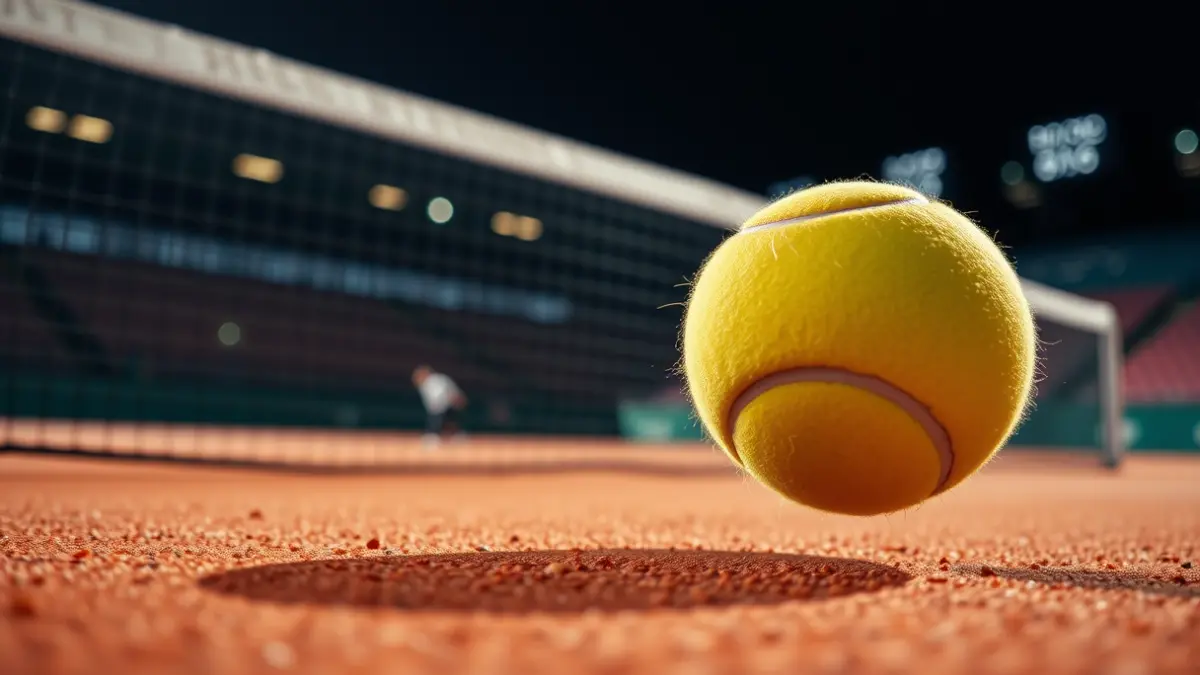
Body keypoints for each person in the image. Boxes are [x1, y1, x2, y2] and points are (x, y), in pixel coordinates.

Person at [411, 365, 467, 450]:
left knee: (444, 421)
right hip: (441, 406)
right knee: (444, 420)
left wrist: (453, 399)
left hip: (446, 404)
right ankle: (436, 437)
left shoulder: (436, 380)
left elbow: (447, 393)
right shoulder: (424, 384)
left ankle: (434, 438)